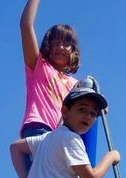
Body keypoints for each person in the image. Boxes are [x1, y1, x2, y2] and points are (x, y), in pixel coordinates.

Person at [18, 0, 80, 139]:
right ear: (49, 46)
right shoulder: (39, 65)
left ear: (73, 51)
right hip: (39, 128)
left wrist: (100, 106)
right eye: (56, 42)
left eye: (66, 43)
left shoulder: (74, 84)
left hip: (61, 135)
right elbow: (26, 26)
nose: (61, 47)